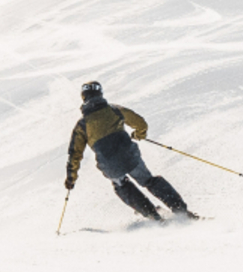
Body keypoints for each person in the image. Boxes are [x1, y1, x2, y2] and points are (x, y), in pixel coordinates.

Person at [65, 80, 192, 222]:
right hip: (129, 155)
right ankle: (181, 211)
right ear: (100, 93)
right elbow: (140, 123)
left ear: (83, 97)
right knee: (148, 180)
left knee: (121, 185)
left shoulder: (82, 125)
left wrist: (71, 178)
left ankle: (152, 215)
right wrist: (139, 134)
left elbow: (74, 154)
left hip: (108, 163)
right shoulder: (114, 110)